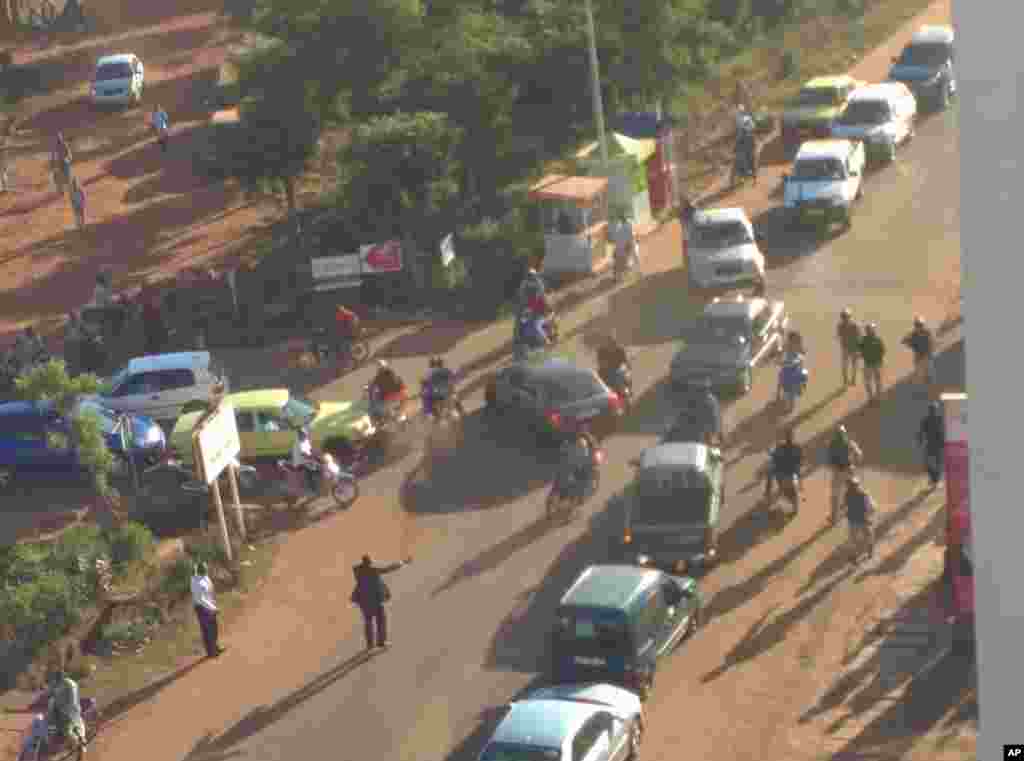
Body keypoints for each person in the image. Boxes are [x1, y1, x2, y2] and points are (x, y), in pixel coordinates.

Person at [350, 554, 411, 650]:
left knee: (368, 621)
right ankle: (381, 642)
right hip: (374, 599)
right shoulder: (372, 569)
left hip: (362, 599)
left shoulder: (357, 570)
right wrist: (402, 562)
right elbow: (388, 569)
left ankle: (370, 644)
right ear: (369, 563)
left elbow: (357, 567)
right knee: (381, 619)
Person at [826, 425, 862, 524]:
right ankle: (857, 511)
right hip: (849, 470)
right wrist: (854, 463)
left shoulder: (832, 445)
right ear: (844, 434)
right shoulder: (849, 443)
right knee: (854, 491)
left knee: (835, 496)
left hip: (838, 472)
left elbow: (830, 460)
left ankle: (834, 517)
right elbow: (859, 454)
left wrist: (833, 467)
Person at [45, 670, 86, 752]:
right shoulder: (71, 683)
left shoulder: (63, 685)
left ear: (58, 678)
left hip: (66, 712)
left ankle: (78, 744)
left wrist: (51, 693)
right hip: (75, 709)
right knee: (77, 723)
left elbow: (53, 695)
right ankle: (81, 738)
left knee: (66, 730)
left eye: (56, 678)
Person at [190, 561, 225, 658]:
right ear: (200, 570)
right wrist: (213, 608)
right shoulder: (195, 582)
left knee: (214, 628)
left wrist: (213, 604)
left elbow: (210, 592)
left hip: (209, 606)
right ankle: (211, 651)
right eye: (205, 569)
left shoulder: (205, 577)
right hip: (202, 608)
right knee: (207, 630)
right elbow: (201, 599)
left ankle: (215, 647)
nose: (207, 569)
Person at [844, 475, 876, 565]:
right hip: (856, 520)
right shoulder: (849, 495)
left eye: (855, 485)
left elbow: (872, 507)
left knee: (863, 538)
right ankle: (856, 556)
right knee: (857, 539)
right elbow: (872, 507)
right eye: (852, 485)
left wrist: (869, 515)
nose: (854, 487)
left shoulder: (862, 495)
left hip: (860, 520)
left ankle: (868, 551)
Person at [765, 429, 803, 500]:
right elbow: (801, 459)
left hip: (783, 471)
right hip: (792, 471)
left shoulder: (781, 447)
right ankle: (800, 490)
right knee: (798, 476)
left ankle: (767, 492)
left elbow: (774, 456)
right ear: (792, 437)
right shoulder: (797, 447)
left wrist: (771, 453)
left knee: (770, 471)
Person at [687, 378, 724, 447]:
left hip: (708, 425)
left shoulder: (701, 400)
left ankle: (714, 445)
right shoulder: (712, 399)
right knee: (711, 438)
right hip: (711, 424)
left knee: (709, 439)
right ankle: (715, 444)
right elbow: (717, 411)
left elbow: (696, 413)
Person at [918, 401, 945, 488]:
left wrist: (920, 440)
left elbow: (943, 431)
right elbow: (921, 432)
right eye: (932, 410)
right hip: (932, 444)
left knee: (936, 464)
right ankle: (934, 479)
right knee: (930, 464)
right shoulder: (927, 420)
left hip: (937, 445)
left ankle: (935, 480)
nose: (933, 411)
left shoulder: (938, 419)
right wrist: (920, 439)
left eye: (934, 410)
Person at [902, 316, 935, 389]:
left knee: (926, 375)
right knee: (923, 375)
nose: (919, 326)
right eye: (918, 325)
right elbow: (904, 341)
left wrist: (909, 342)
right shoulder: (923, 333)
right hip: (923, 357)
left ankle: (927, 389)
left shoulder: (920, 333)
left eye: (920, 325)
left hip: (924, 357)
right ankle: (925, 390)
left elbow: (904, 341)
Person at [859, 322, 886, 400]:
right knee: (868, 382)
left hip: (876, 364)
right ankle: (871, 397)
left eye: (872, 330)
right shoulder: (863, 340)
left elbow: (883, 351)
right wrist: (862, 355)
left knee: (877, 381)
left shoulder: (878, 339)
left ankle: (878, 396)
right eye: (869, 330)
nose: (871, 331)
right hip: (868, 364)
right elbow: (859, 349)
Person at [837, 309, 862, 387]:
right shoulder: (840, 326)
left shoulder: (855, 326)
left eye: (846, 317)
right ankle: (846, 380)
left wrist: (859, 350)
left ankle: (853, 379)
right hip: (846, 348)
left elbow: (859, 338)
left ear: (849, 317)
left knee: (854, 365)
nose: (845, 318)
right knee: (845, 365)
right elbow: (840, 336)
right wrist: (843, 345)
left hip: (854, 348)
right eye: (843, 317)